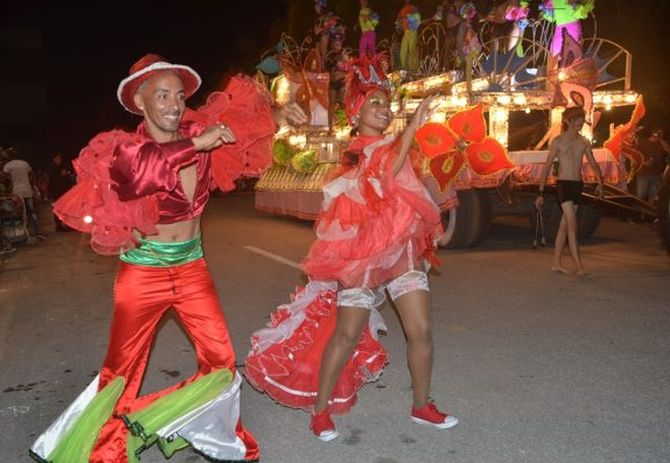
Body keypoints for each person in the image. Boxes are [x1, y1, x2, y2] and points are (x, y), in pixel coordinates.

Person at [30, 53, 306, 463]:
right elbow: (140, 173)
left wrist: (283, 115)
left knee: (222, 363)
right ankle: (108, 448)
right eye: (161, 95)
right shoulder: (126, 148)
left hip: (192, 268)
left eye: (178, 95)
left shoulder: (201, 132)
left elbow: (246, 132)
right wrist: (196, 143)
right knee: (121, 371)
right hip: (143, 273)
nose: (173, 104)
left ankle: (216, 439)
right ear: (140, 103)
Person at [245, 54, 458, 443]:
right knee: (345, 335)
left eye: (386, 103)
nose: (384, 109)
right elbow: (385, 171)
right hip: (362, 253)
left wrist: (438, 224)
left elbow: (411, 191)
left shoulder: (398, 148)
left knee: (422, 331)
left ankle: (422, 405)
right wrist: (416, 121)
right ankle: (321, 411)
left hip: (401, 251)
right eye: (374, 103)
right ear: (357, 114)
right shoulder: (367, 152)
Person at [536, 107, 604, 276]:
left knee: (564, 227)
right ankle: (579, 266)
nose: (579, 127)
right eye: (576, 124)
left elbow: (593, 163)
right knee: (573, 227)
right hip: (564, 186)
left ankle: (556, 264)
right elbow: (546, 167)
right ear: (568, 121)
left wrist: (600, 183)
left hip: (577, 185)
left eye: (581, 124)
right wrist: (541, 192)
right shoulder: (558, 141)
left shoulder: (584, 142)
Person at [2, 147, 44, 240]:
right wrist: (33, 186)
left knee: (22, 213)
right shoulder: (25, 163)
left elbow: (4, 177)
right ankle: (37, 232)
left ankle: (26, 234)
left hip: (17, 192)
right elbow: (32, 175)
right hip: (27, 190)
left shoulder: (8, 165)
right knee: (32, 212)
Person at [635, 128, 670, 204]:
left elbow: (668, 150)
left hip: (656, 175)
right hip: (643, 174)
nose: (659, 135)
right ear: (653, 133)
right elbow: (635, 156)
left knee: (653, 198)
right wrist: (644, 162)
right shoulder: (642, 143)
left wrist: (661, 139)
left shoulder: (661, 144)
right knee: (641, 196)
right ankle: (639, 213)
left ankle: (650, 214)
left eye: (661, 134)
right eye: (657, 133)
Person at [47, 152, 75, 231]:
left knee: (66, 209)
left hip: (63, 191)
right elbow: (52, 181)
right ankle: (59, 226)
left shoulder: (62, 166)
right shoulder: (52, 168)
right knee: (58, 209)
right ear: (54, 159)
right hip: (57, 192)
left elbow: (67, 177)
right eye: (58, 158)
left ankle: (66, 225)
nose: (59, 160)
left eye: (60, 158)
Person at [396, 0, 422, 71]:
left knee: (412, 50)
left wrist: (407, 18)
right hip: (406, 32)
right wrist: (399, 25)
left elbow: (418, 20)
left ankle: (413, 69)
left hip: (412, 30)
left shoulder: (413, 8)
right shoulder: (402, 9)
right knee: (403, 50)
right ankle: (404, 68)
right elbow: (399, 21)